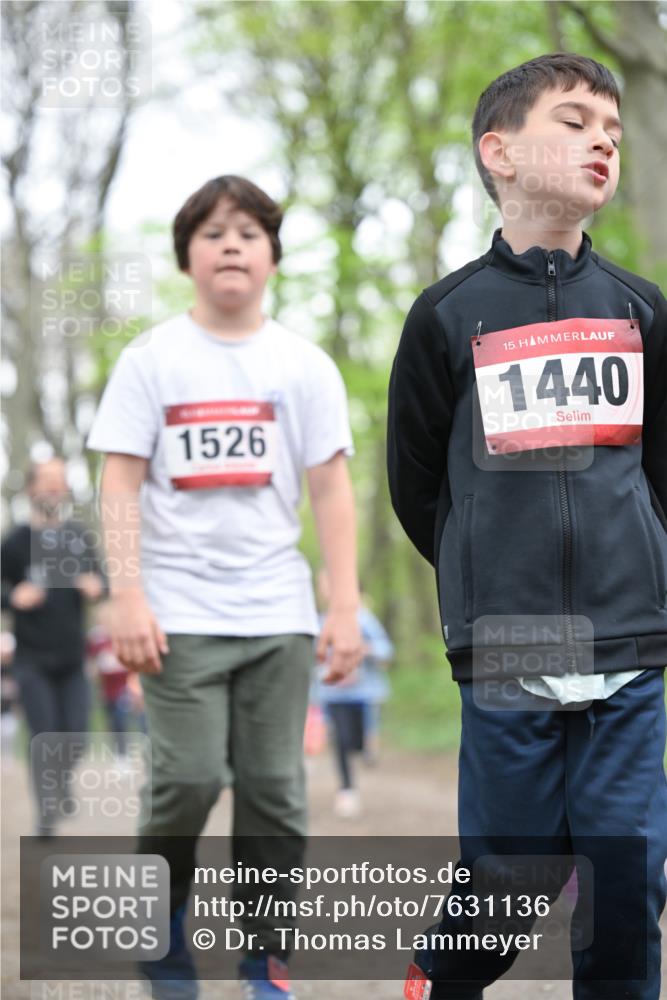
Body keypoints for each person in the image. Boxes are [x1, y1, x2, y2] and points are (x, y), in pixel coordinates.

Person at [387, 54, 666, 1000]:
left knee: (624, 886)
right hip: (506, 647)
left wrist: (635, 565)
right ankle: (437, 976)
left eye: (614, 133)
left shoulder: (640, 311)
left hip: (628, 646)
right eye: (577, 120)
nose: (603, 140)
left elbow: (657, 475)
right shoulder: (444, 316)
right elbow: (418, 484)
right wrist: (490, 570)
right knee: (509, 885)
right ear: (497, 152)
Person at [87, 175, 363, 1000]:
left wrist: (342, 607)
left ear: (273, 254)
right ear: (187, 259)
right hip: (176, 617)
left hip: (277, 614)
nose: (231, 243)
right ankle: (160, 930)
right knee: (188, 779)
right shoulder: (152, 361)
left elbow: (331, 490)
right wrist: (126, 597)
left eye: (248, 230)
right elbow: (119, 482)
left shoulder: (303, 366)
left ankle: (263, 958)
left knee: (276, 791)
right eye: (211, 232)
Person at [0, 457, 105, 835]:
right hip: (32, 659)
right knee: (44, 735)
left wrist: (97, 587)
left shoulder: (78, 537)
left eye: (59, 482)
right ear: (31, 489)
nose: (53, 488)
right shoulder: (15, 542)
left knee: (76, 736)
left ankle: (61, 784)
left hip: (73, 657)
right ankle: (46, 811)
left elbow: (102, 580)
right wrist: (14, 597)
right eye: (46, 481)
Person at [312, 570, 393, 818]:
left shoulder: (364, 619)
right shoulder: (319, 621)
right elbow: (313, 659)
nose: (325, 588)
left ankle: (368, 744)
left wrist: (362, 649)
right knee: (341, 742)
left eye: (329, 582)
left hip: (363, 695)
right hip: (333, 694)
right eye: (322, 584)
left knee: (357, 745)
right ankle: (347, 791)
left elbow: (386, 650)